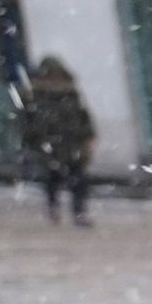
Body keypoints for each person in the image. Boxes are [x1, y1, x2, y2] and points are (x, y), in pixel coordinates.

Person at [20, 60, 95, 224]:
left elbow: (83, 117)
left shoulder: (70, 94)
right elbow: (27, 122)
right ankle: (53, 208)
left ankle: (79, 211)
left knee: (78, 180)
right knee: (51, 179)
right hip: (48, 147)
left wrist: (87, 137)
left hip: (72, 145)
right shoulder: (34, 95)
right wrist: (35, 139)